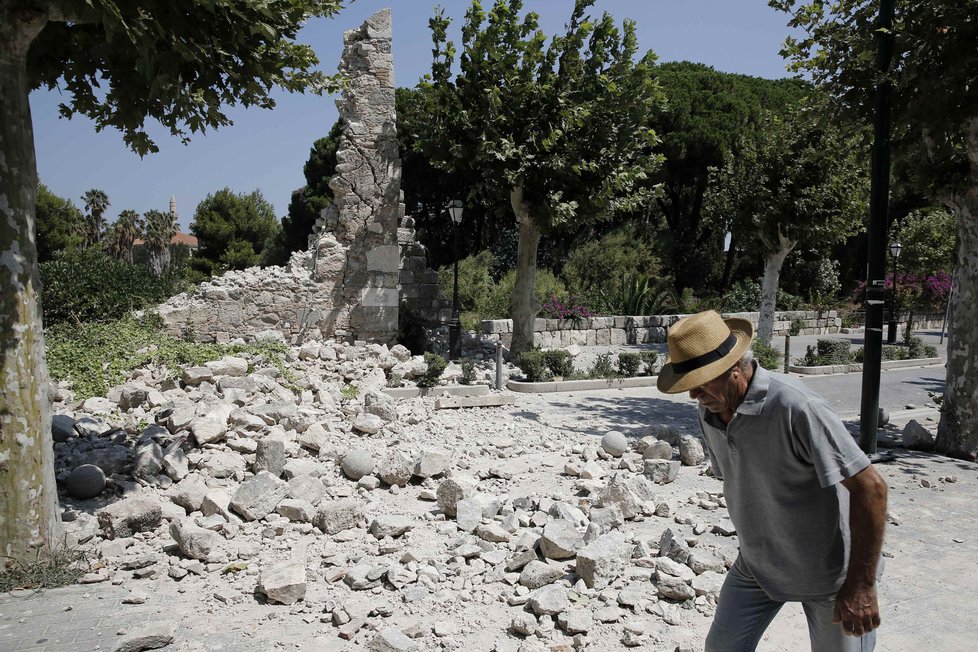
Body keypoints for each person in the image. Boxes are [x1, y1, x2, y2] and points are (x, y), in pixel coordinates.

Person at [656, 310, 888, 652]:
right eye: (689, 386)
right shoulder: (709, 408)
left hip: (831, 574)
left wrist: (862, 584)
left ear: (734, 367)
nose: (694, 396)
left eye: (701, 382)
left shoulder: (797, 407)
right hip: (758, 566)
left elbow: (872, 488)